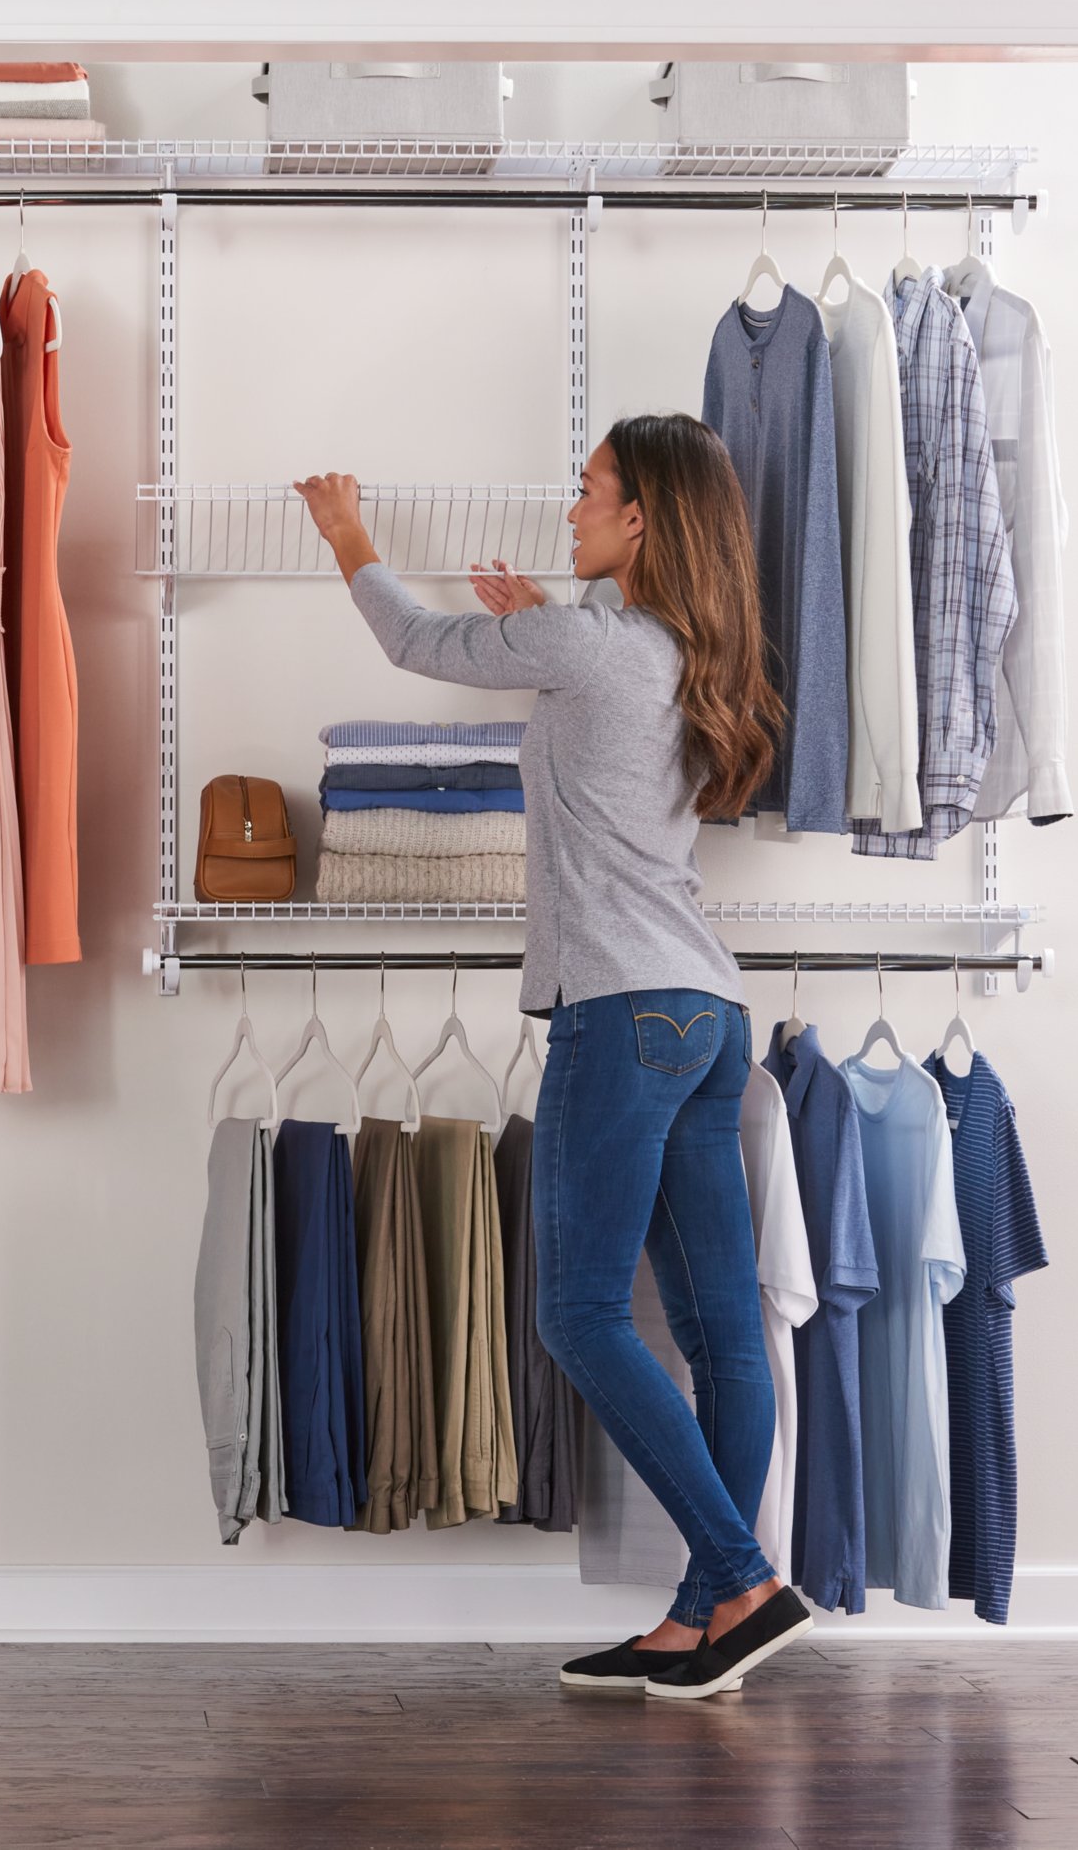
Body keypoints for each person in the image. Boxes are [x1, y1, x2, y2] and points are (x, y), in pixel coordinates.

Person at [293, 416, 813, 1702]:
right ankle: (704, 1622)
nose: (569, 506)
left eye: (589, 492)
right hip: (708, 1013)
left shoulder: (588, 645)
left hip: (621, 1014)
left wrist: (349, 533)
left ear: (640, 521)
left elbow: (418, 639)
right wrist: (552, 621)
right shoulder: (689, 656)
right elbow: (597, 725)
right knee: (718, 1329)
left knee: (577, 1314)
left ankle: (744, 1578)